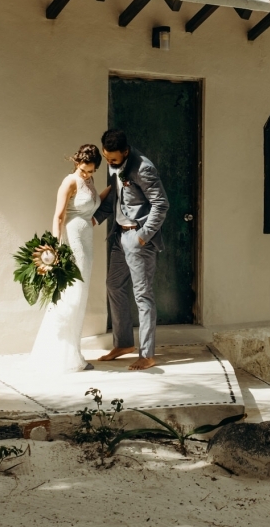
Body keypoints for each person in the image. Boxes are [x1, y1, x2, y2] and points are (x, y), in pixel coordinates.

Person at [93, 129, 168, 371]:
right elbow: (115, 196)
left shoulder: (143, 167)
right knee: (114, 285)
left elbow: (161, 204)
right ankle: (124, 343)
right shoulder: (114, 162)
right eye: (106, 158)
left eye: (113, 159)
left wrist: (144, 236)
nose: (109, 163)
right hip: (118, 235)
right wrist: (93, 219)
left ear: (126, 152)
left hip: (137, 238)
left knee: (142, 295)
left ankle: (147, 354)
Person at [30, 144, 108, 372]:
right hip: (72, 240)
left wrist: (112, 189)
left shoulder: (90, 182)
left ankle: (73, 352)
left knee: (80, 295)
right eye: (83, 170)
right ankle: (57, 354)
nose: (86, 174)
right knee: (70, 296)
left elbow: (95, 206)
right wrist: (56, 247)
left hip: (87, 240)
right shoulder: (70, 181)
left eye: (91, 171)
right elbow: (58, 216)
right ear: (77, 163)